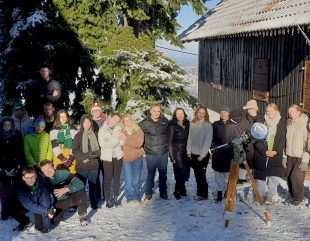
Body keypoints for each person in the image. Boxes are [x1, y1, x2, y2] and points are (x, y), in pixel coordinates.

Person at [252, 103, 286, 203]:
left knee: (274, 176)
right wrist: (264, 150)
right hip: (263, 153)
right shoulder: (261, 121)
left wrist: (276, 151)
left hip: (276, 153)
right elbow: (256, 138)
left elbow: (283, 138)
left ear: (276, 111)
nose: (269, 113)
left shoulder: (282, 121)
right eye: (267, 111)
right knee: (261, 177)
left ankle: (271, 195)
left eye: (271, 111)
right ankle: (260, 196)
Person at [0, 117, 30, 231]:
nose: (7, 127)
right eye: (5, 125)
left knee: (17, 189)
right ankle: (5, 211)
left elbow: (20, 152)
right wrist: (2, 169)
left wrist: (18, 166)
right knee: (5, 191)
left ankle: (19, 208)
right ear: (2, 126)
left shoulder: (16, 135)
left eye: (8, 125)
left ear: (12, 125)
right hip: (3, 169)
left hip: (15, 167)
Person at [38, 160, 89, 226]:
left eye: (49, 168)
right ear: (43, 173)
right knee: (52, 221)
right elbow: (46, 199)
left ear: (53, 166)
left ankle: (82, 216)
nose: (47, 172)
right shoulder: (44, 182)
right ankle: (61, 213)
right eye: (44, 171)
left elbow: (81, 184)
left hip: (71, 197)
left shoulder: (64, 173)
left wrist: (66, 189)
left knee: (81, 192)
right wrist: (51, 210)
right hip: (60, 203)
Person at [139, 104, 169, 200]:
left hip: (163, 153)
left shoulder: (164, 121)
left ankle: (163, 192)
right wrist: (142, 149)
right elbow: (139, 136)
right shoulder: (144, 123)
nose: (156, 113)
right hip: (151, 153)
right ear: (150, 111)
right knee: (151, 174)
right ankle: (148, 193)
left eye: (158, 111)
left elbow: (169, 134)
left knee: (163, 174)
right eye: (154, 111)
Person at [230, 99, 264, 184]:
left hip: (256, 149)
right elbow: (231, 115)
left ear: (256, 108)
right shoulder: (243, 117)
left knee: (252, 174)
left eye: (251, 108)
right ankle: (241, 191)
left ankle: (250, 193)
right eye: (248, 109)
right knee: (242, 170)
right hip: (244, 148)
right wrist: (243, 108)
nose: (250, 110)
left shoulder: (261, 118)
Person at [72, 114, 101, 210]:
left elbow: (100, 150)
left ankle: (94, 202)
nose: (87, 124)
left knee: (93, 186)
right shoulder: (78, 136)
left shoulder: (96, 135)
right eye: (85, 122)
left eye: (89, 122)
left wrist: (94, 154)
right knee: (81, 187)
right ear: (82, 123)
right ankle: (80, 204)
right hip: (82, 166)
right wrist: (88, 155)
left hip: (94, 166)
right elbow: (75, 151)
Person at [211, 106, 239, 202]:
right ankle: (219, 195)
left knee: (227, 178)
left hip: (228, 155)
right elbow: (211, 138)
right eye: (222, 112)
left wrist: (233, 148)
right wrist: (213, 146)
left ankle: (227, 194)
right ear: (219, 113)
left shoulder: (234, 125)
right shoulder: (215, 124)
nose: (223, 114)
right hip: (217, 155)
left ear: (228, 113)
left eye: (225, 112)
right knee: (218, 177)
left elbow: (237, 139)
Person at [98, 114, 125, 208]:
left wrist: (112, 142)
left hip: (118, 157)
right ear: (110, 119)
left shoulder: (119, 129)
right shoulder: (102, 130)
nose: (115, 121)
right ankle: (107, 198)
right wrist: (117, 140)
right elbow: (103, 144)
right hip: (107, 158)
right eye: (114, 119)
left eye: (117, 120)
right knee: (107, 179)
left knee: (117, 178)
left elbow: (123, 142)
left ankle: (116, 197)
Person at [285, 104, 309, 205]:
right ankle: (292, 195)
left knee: (296, 177)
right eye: (290, 112)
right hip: (289, 155)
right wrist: (284, 155)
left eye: (293, 112)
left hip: (300, 156)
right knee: (289, 176)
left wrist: (305, 160)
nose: (291, 114)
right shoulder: (289, 123)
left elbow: (308, 142)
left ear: (299, 112)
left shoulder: (305, 123)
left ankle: (299, 197)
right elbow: (285, 141)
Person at [187, 106, 213, 200]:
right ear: (196, 113)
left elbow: (208, 141)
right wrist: (188, 152)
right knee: (197, 175)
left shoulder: (208, 125)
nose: (201, 114)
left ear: (205, 114)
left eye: (203, 113)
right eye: (199, 112)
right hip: (193, 154)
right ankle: (199, 194)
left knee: (202, 175)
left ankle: (203, 195)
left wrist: (202, 155)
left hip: (203, 155)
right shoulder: (193, 124)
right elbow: (189, 138)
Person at [17, 167, 54, 233]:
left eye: (32, 177)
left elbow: (46, 201)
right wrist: (46, 211)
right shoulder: (20, 189)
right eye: (27, 178)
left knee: (46, 224)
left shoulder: (42, 184)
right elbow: (28, 204)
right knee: (38, 227)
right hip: (31, 206)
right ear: (23, 178)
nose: (30, 180)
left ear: (36, 176)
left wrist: (46, 226)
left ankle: (51, 214)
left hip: (43, 204)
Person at [168, 108, 190, 200]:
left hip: (187, 152)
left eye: (181, 114)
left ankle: (182, 188)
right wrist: (172, 157)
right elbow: (169, 142)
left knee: (185, 172)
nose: (180, 115)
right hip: (177, 152)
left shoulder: (187, 124)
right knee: (179, 172)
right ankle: (177, 190)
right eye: (178, 114)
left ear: (184, 114)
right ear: (175, 115)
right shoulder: (172, 125)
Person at [122, 114, 144, 204]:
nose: (127, 122)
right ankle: (129, 197)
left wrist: (126, 140)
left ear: (132, 120)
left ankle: (137, 197)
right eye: (125, 120)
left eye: (129, 120)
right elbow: (120, 143)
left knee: (136, 180)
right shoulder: (121, 131)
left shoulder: (138, 130)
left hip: (137, 158)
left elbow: (139, 144)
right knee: (128, 180)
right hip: (126, 159)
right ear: (123, 122)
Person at [50, 109, 78, 174]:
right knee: (60, 177)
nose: (63, 118)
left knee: (72, 176)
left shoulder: (74, 129)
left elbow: (76, 145)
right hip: (59, 156)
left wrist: (70, 159)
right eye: (61, 117)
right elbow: (54, 146)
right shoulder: (53, 130)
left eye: (64, 116)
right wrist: (63, 159)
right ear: (58, 118)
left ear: (67, 117)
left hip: (71, 155)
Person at [90, 102, 107, 202]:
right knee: (95, 175)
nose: (96, 112)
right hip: (94, 152)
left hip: (105, 151)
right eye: (94, 111)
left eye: (98, 110)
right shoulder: (89, 121)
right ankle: (97, 193)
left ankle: (106, 193)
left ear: (100, 111)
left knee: (105, 174)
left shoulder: (105, 121)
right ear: (92, 112)